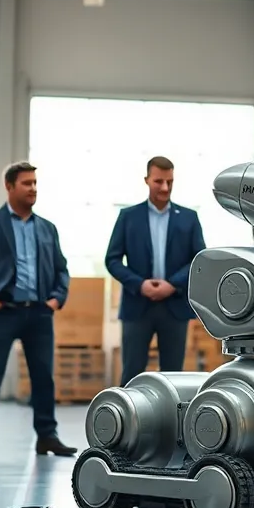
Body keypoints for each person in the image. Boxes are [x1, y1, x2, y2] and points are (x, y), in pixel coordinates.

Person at [0, 161, 77, 460]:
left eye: (35, 183)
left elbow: (61, 269)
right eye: (26, 183)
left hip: (39, 314)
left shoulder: (47, 228)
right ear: (9, 186)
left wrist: (56, 299)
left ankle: (47, 437)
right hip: (1, 313)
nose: (33, 188)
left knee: (43, 378)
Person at [105, 156, 206, 385]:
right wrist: (139, 284)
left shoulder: (189, 218)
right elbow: (112, 260)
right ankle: (130, 410)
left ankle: (170, 412)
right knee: (132, 375)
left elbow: (199, 259)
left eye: (170, 182)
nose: (165, 187)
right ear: (146, 180)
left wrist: (173, 284)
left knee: (173, 378)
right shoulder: (128, 217)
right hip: (137, 306)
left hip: (175, 307)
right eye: (159, 181)